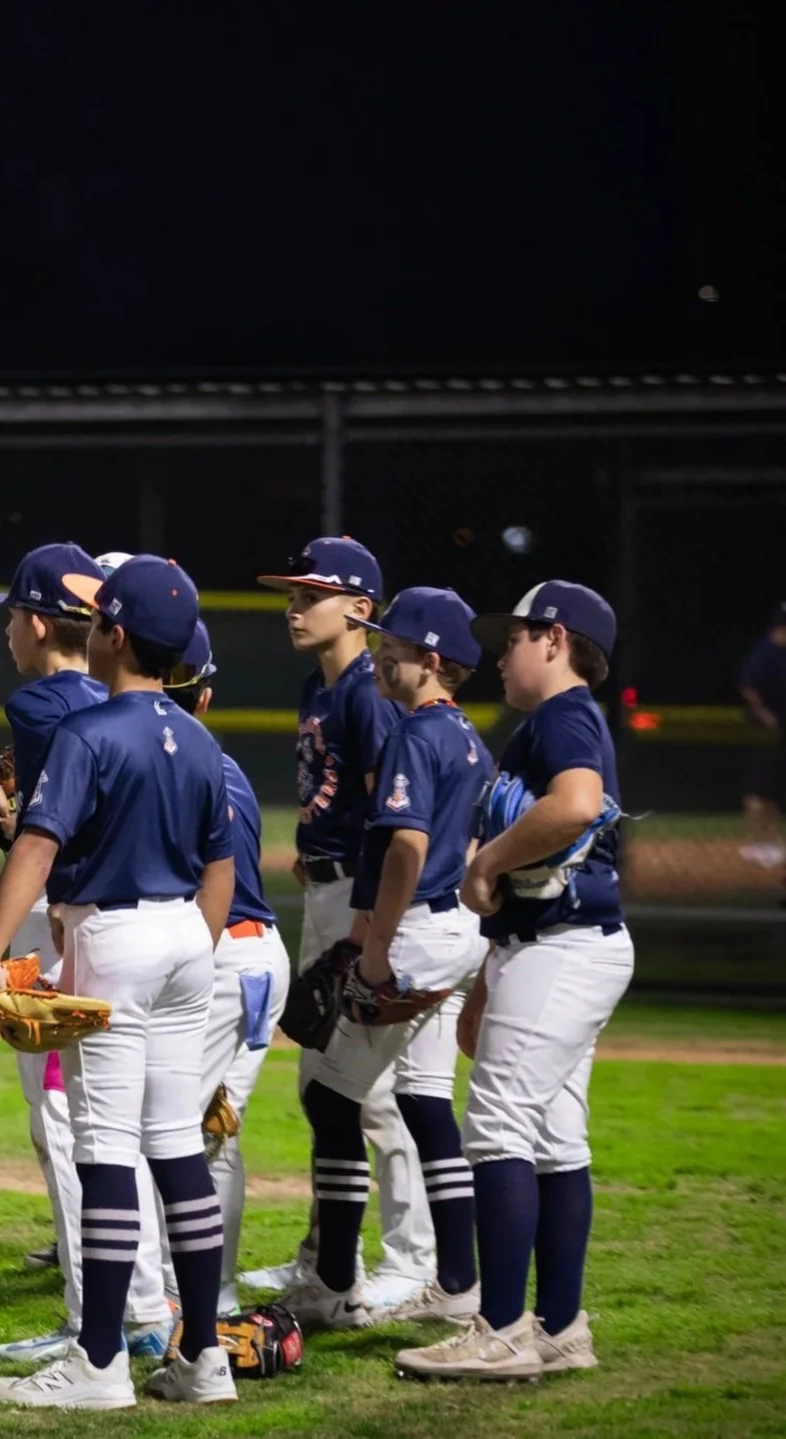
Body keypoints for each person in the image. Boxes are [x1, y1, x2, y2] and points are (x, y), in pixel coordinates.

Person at [0, 556, 239, 1410]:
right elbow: (222, 864)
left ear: (114, 634)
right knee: (173, 1144)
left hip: (117, 934)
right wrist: (190, 950)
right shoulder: (200, 738)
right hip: (185, 936)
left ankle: (98, 1366)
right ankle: (203, 1356)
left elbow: (38, 843)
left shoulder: (91, 733)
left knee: (103, 1149)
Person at [398, 581, 631, 1381]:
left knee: (496, 1130)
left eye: (516, 637)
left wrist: (485, 861)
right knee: (555, 1141)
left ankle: (499, 1329)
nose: (501, 652)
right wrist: (489, 979)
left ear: (556, 641)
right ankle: (561, 1326)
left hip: (565, 946)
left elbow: (576, 805)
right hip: (552, 941)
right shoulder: (556, 720)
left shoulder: (563, 715)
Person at [0, 545, 172, 1366]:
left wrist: (28, 918)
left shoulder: (45, 703)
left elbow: (54, 836)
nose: (7, 627)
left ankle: (100, 1314)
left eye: (13, 613)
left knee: (69, 1122)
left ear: (40, 621)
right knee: (126, 1130)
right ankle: (149, 1308)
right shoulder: (116, 699)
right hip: (150, 926)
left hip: (70, 931)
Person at [278, 589, 491, 1331]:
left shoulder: (412, 734)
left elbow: (406, 844)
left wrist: (374, 941)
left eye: (394, 645)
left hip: (416, 936)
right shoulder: (467, 734)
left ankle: (335, 1282)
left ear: (432, 660)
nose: (381, 652)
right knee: (427, 1101)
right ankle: (458, 1282)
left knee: (332, 1099)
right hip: (456, 930)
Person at [244, 538, 433, 1308]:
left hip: (359, 898)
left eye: (310, 596)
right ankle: (328, 1253)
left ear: (361, 608)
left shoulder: (363, 693)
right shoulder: (319, 688)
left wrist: (365, 922)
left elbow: (391, 817)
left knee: (369, 1090)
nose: (295, 609)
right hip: (327, 891)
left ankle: (411, 1259)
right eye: (291, 597)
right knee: (323, 1081)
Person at [156, 623, 293, 1318]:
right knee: (209, 1133)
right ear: (204, 697)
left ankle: (171, 1304)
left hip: (224, 956)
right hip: (247, 956)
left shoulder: (185, 764)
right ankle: (210, 1297)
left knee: (174, 1132)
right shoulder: (210, 759)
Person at [738, 601, 786, 872]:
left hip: (781, 731)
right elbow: (749, 688)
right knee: (758, 789)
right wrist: (764, 714)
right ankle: (756, 843)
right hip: (763, 731)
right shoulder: (765, 651)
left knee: (775, 791)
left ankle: (771, 842)